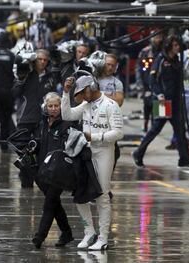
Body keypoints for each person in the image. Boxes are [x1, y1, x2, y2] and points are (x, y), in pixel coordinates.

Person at [61, 75, 124, 250]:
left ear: (92, 87)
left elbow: (118, 133)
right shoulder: (85, 105)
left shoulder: (111, 105)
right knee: (80, 192)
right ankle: (89, 232)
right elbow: (66, 114)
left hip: (104, 152)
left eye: (83, 92)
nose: (82, 96)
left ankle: (103, 237)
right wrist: (66, 93)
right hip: (85, 152)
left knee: (102, 195)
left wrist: (94, 137)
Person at [132, 35, 189, 168]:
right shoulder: (160, 59)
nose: (178, 48)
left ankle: (184, 158)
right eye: (175, 45)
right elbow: (152, 80)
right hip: (162, 101)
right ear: (169, 46)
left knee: (180, 130)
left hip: (176, 101)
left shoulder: (177, 60)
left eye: (178, 45)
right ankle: (138, 152)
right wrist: (159, 94)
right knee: (155, 129)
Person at [31, 92, 74, 249]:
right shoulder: (42, 124)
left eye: (56, 106)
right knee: (55, 204)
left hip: (58, 174)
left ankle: (40, 237)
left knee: (49, 203)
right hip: (43, 172)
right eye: (50, 106)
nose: (54, 109)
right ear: (45, 107)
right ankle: (67, 232)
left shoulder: (66, 125)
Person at [12, 49, 56, 187]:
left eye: (45, 60)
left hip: (43, 119)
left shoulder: (50, 76)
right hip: (25, 118)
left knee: (41, 150)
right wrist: (20, 78)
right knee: (24, 151)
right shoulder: (26, 74)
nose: (42, 62)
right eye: (39, 59)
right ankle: (26, 180)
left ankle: (39, 178)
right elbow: (14, 93)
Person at [137, 33, 164, 132]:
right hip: (147, 83)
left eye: (160, 37)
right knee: (147, 104)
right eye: (156, 37)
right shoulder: (145, 52)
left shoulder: (164, 52)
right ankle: (146, 123)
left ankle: (156, 125)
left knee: (159, 107)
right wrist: (139, 84)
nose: (158, 40)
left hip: (160, 84)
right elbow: (139, 68)